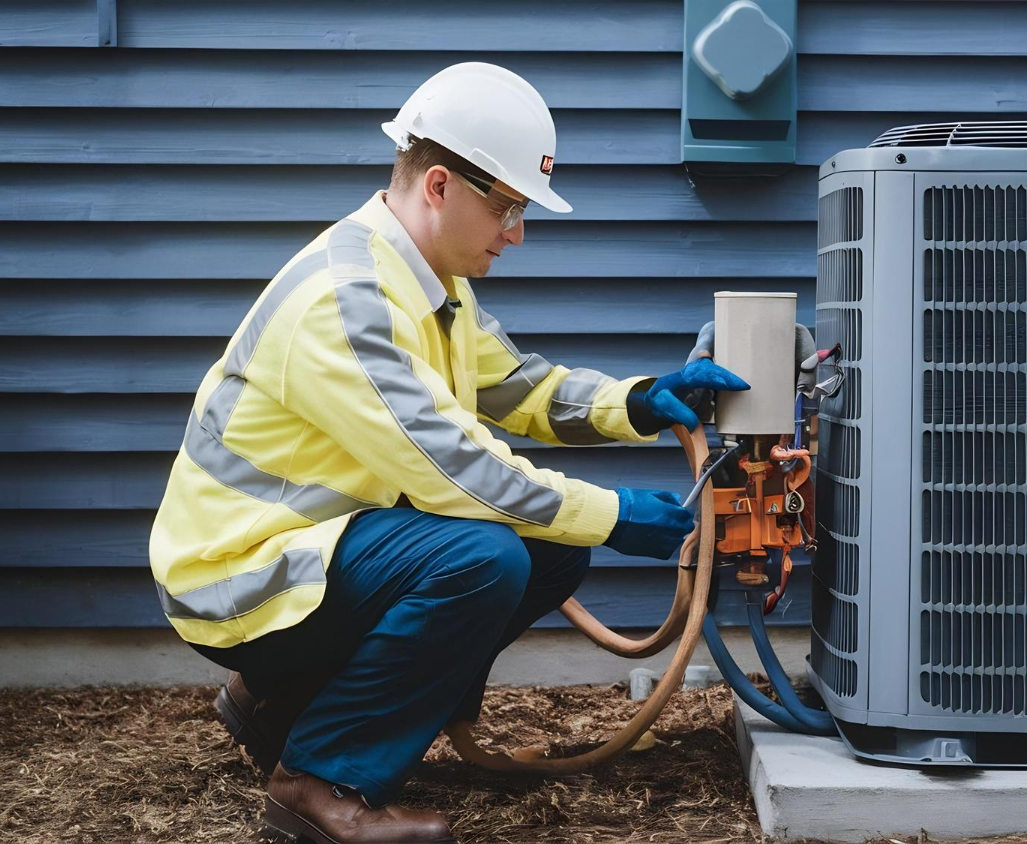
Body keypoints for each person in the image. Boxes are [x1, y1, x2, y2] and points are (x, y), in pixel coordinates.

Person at [148, 62, 750, 843]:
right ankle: (319, 781)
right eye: (506, 207)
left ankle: (281, 707)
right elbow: (452, 469)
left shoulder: (432, 283)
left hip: (316, 548)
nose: (517, 232)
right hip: (236, 572)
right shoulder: (349, 301)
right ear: (439, 186)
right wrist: (612, 514)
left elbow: (520, 386)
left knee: (546, 548)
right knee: (483, 558)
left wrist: (635, 400)